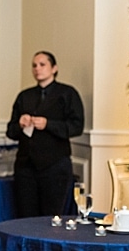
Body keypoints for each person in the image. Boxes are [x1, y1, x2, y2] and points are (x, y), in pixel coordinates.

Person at [7, 51, 84, 217]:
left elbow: (77, 126)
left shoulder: (67, 93)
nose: (37, 69)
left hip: (55, 166)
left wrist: (49, 124)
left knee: (52, 217)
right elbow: (10, 131)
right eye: (34, 65)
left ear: (54, 68)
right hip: (26, 167)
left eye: (42, 65)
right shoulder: (24, 96)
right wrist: (20, 124)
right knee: (26, 217)